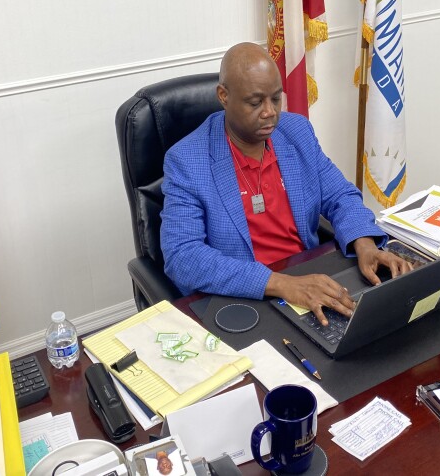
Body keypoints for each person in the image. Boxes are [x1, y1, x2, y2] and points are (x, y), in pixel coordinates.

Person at [160, 43, 412, 325]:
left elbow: (340, 195)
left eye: (276, 99)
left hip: (309, 277)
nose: (270, 112)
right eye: (255, 103)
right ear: (224, 96)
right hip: (242, 298)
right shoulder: (187, 160)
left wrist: (365, 245)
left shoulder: (296, 132)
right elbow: (183, 256)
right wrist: (283, 284)